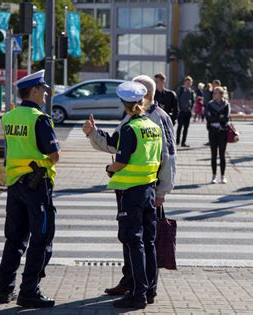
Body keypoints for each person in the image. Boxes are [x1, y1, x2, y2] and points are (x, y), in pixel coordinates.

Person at [83, 75, 176, 302]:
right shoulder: (142, 121)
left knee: (137, 240)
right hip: (143, 188)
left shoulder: (156, 119)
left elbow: (168, 156)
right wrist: (93, 134)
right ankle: (138, 284)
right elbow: (115, 143)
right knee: (141, 241)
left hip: (139, 190)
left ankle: (140, 289)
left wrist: (163, 191)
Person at [0, 70, 60, 308]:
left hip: (15, 184)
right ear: (33, 91)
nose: (45, 94)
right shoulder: (39, 118)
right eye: (43, 89)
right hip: (37, 185)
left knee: (15, 238)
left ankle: (5, 287)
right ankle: (29, 291)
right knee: (42, 238)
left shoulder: (9, 117)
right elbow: (54, 155)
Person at [101, 81, 162, 309]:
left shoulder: (129, 128)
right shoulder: (152, 126)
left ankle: (138, 295)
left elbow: (121, 161)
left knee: (134, 242)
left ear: (124, 105)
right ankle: (150, 290)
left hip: (131, 193)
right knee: (149, 242)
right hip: (149, 189)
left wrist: (109, 169)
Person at [206, 86, 231, 184]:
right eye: (213, 93)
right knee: (213, 154)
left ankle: (223, 176)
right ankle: (213, 176)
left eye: (216, 93)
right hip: (212, 131)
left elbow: (226, 118)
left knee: (222, 155)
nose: (214, 95)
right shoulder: (210, 104)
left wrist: (216, 117)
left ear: (221, 94)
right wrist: (219, 117)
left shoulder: (226, 105)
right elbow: (208, 117)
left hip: (222, 131)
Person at [176, 76, 196, 147]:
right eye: (187, 83)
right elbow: (177, 99)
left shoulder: (191, 91)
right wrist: (178, 108)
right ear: (184, 83)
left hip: (188, 112)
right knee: (180, 127)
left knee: (186, 128)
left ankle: (183, 142)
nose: (188, 84)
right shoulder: (180, 89)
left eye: (189, 83)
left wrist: (191, 109)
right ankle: (177, 141)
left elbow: (193, 101)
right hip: (181, 112)